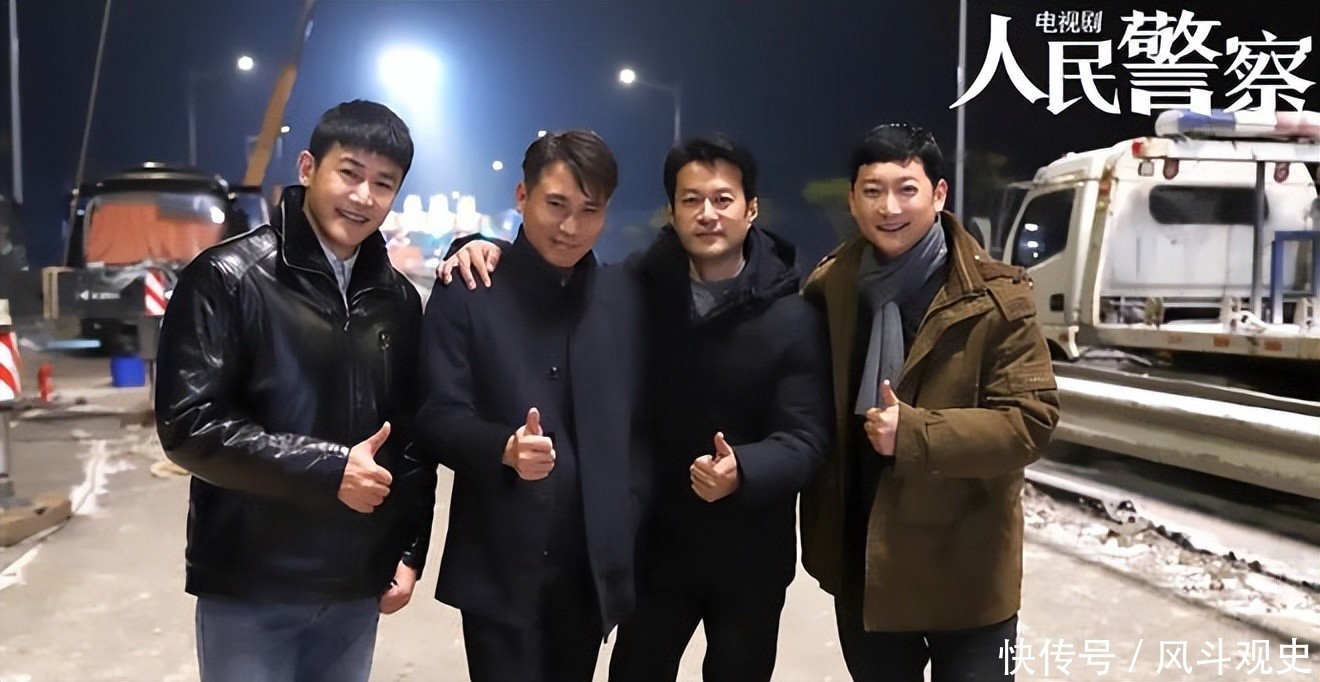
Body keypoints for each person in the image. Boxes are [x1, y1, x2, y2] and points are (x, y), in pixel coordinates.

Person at [440, 133, 832, 681]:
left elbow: (808, 437)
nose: (708, 214)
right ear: (672, 212)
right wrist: (479, 244)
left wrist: (745, 467)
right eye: (691, 200)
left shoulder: (793, 316)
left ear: (751, 209)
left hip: (748, 553)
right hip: (655, 549)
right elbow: (553, 266)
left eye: (723, 199)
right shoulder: (639, 289)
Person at [154, 100, 433, 682]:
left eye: (383, 184)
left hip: (355, 586)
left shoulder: (397, 301)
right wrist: (328, 469)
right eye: (349, 173)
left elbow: (412, 440)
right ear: (308, 168)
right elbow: (188, 425)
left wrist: (409, 550)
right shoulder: (228, 277)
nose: (363, 196)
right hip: (251, 585)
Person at [798, 123, 1060, 682]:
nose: (889, 207)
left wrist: (915, 434)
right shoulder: (829, 290)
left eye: (907, 189)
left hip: (967, 574)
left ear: (939, 195)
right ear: (852, 199)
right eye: (872, 191)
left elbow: (1029, 422)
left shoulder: (997, 296)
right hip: (866, 564)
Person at [414, 130, 647, 682]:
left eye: (589, 210)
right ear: (522, 196)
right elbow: (434, 417)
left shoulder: (622, 299)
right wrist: (503, 448)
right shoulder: (469, 288)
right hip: (500, 563)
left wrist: (632, 508)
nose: (570, 227)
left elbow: (641, 424)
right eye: (556, 204)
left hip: (589, 571)